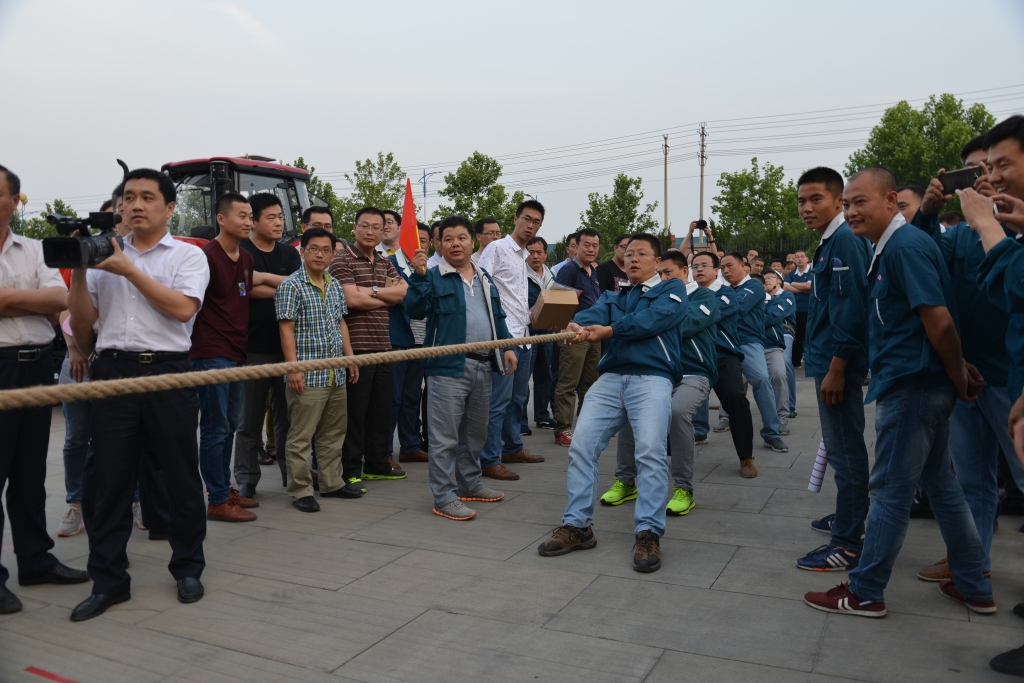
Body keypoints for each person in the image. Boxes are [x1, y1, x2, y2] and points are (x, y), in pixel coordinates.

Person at [804, 167, 992, 620]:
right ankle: (973, 583)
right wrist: (954, 371)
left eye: (860, 202)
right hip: (919, 383)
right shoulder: (891, 247)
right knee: (941, 486)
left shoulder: (904, 247)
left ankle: (865, 591)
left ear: (891, 201)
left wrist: (956, 374)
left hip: (913, 387)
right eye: (848, 203)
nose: (851, 212)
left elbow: (939, 321)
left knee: (889, 490)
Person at [68, 168, 209, 621]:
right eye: (128, 197)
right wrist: (78, 271)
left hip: (168, 372)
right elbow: (83, 323)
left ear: (169, 208)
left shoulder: (188, 256)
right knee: (110, 481)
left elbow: (182, 309)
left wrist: (127, 269)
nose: (136, 205)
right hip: (113, 370)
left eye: (148, 197)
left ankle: (188, 567)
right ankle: (108, 580)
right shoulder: (103, 255)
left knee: (180, 475)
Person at [910, 131, 1024, 585]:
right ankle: (972, 562)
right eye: (978, 170)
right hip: (966, 376)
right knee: (973, 481)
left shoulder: (1014, 231)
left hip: (1010, 379)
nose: (986, 177)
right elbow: (923, 257)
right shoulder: (959, 237)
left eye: (995, 167)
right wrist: (927, 213)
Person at [537, 234, 688, 573]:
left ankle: (648, 532)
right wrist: (576, 324)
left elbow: (652, 321)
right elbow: (592, 313)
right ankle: (578, 526)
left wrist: (608, 330)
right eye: (628, 253)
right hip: (610, 379)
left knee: (650, 452)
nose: (633, 259)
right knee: (581, 446)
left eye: (642, 254)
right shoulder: (614, 296)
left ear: (657, 261)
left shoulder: (672, 289)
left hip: (652, 378)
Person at [0, 164, 88, 615]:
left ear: (15, 201)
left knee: (30, 474)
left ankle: (35, 560)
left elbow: (58, 299)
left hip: (35, 369)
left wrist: (4, 300)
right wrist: (29, 301)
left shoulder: (34, 250)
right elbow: (45, 301)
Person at [790, 167, 873, 573]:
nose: (806, 208)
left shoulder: (845, 242)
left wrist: (838, 367)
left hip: (837, 365)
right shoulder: (829, 242)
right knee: (842, 448)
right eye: (801, 201)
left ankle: (848, 543)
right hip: (828, 361)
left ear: (839, 201)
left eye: (815, 199)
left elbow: (853, 309)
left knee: (846, 453)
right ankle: (849, 517)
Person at [405, 215, 516, 520]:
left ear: (472, 241)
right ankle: (444, 496)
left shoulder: (484, 276)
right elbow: (414, 308)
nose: (455, 244)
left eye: (461, 238)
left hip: (484, 365)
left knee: (475, 434)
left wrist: (507, 346)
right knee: (445, 438)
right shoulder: (431, 276)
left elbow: (498, 315)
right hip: (447, 368)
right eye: (448, 239)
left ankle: (470, 483)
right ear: (439, 244)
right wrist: (418, 277)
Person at [603, 250, 718, 516]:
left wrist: (649, 320)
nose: (663, 278)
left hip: (693, 373)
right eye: (660, 274)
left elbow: (684, 325)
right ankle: (625, 481)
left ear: (684, 272)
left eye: (668, 273)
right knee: (632, 407)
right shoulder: (648, 299)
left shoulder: (703, 296)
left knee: (677, 412)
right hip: (658, 372)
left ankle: (683, 488)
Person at [276, 227, 359, 512]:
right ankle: (300, 490)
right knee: (301, 436)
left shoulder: (334, 284)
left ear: (333, 254)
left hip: (335, 371)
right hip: (307, 373)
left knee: (333, 433)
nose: (320, 254)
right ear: (303, 251)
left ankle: (332, 483)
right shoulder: (291, 285)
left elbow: (341, 322)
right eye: (314, 248)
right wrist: (294, 368)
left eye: (326, 250)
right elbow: (286, 329)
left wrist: (350, 359)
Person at [189, 193, 259, 522]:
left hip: (237, 351)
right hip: (210, 353)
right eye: (242, 216)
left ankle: (225, 489)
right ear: (221, 218)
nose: (248, 222)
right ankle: (216, 499)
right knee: (214, 428)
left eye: (250, 216)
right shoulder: (205, 257)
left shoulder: (246, 258)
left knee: (230, 425)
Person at [330, 207, 408, 487]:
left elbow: (403, 293)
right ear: (354, 228)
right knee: (354, 413)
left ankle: (377, 464)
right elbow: (351, 300)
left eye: (377, 227)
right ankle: (351, 470)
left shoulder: (385, 261)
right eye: (365, 226)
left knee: (381, 411)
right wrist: (385, 297)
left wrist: (370, 292)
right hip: (356, 349)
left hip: (384, 346)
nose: (371, 231)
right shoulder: (341, 260)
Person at [234, 193, 301, 495]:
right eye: (271, 217)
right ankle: (247, 479)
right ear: (254, 220)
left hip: (288, 349)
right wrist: (281, 285)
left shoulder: (289, 253)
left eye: (280, 217)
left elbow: (300, 288)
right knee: (249, 420)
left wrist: (261, 277)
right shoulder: (241, 251)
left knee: (288, 419)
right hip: (251, 349)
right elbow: (242, 290)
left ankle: (293, 475)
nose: (278, 222)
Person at [478, 200, 547, 480]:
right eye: (526, 219)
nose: (530, 225)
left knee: (518, 399)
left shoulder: (523, 256)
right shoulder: (497, 248)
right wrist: (500, 337)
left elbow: (515, 298)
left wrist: (543, 314)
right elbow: (481, 287)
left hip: (524, 336)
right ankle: (489, 459)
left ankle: (512, 447)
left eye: (536, 222)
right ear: (515, 218)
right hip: (503, 338)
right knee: (498, 401)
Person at [717, 253, 788, 453]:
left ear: (743, 265)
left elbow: (737, 308)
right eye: (722, 267)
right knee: (703, 381)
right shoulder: (723, 289)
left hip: (748, 342)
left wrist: (714, 308)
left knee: (761, 380)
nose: (726, 271)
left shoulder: (754, 286)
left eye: (729, 266)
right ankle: (701, 429)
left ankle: (772, 433)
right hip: (724, 342)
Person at [553, 228, 602, 447]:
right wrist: (565, 327)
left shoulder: (594, 271)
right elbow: (557, 304)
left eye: (595, 245)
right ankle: (563, 429)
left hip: (593, 334)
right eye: (586, 245)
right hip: (573, 334)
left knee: (591, 383)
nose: (591, 249)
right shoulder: (569, 270)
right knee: (568, 382)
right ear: (577, 246)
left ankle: (586, 425)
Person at [388, 214, 430, 464]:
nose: (419, 245)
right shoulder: (389, 263)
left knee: (412, 397)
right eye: (415, 240)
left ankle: (410, 446)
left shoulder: (429, 271)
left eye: (424, 241)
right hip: (397, 340)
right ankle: (383, 453)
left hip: (422, 343)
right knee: (392, 399)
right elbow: (397, 298)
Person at [525, 235, 556, 431]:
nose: (535, 256)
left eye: (539, 252)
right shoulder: (520, 274)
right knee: (523, 380)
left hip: (548, 333)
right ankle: (520, 421)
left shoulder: (552, 275)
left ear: (546, 254)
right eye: (531, 252)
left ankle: (542, 416)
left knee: (545, 377)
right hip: (527, 334)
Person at [762, 270, 793, 436]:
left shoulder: (785, 296)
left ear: (779, 281)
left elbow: (775, 316)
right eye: (764, 278)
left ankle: (784, 415)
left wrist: (752, 321)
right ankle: (725, 416)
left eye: (770, 277)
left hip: (779, 338)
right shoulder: (757, 298)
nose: (766, 280)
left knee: (781, 371)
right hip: (753, 344)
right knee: (734, 378)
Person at [784, 249, 812, 367]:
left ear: (807, 258)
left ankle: (811, 361)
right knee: (796, 335)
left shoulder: (811, 271)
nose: (799, 259)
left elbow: (810, 286)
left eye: (802, 256)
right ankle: (795, 362)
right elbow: (785, 287)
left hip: (808, 309)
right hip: (795, 309)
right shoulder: (792, 273)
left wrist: (794, 284)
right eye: (797, 257)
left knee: (808, 335)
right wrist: (803, 288)